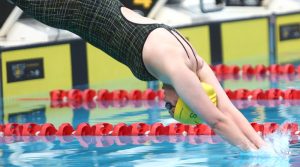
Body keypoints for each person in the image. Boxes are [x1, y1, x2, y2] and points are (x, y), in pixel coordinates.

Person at [9, 0, 265, 151]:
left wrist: (263, 147)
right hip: (71, 9)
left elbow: (228, 107)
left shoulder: (193, 59)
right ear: (187, 98)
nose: (163, 100)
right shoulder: (178, 71)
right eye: (170, 106)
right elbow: (218, 120)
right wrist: (254, 156)